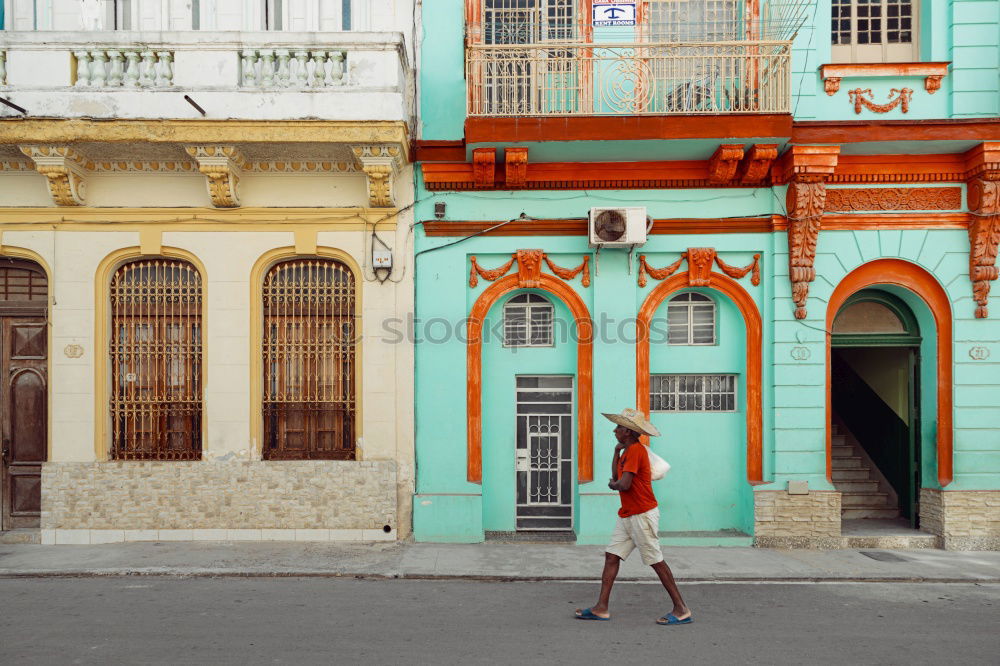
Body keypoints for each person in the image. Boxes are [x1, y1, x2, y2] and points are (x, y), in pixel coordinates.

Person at [574, 408, 692, 626]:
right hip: (628, 514)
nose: (614, 430)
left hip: (642, 514)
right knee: (612, 556)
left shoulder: (637, 451)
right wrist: (615, 453)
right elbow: (616, 476)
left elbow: (624, 484)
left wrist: (613, 485)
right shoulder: (627, 451)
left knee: (655, 560)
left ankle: (681, 608)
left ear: (627, 431)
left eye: (618, 427)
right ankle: (601, 607)